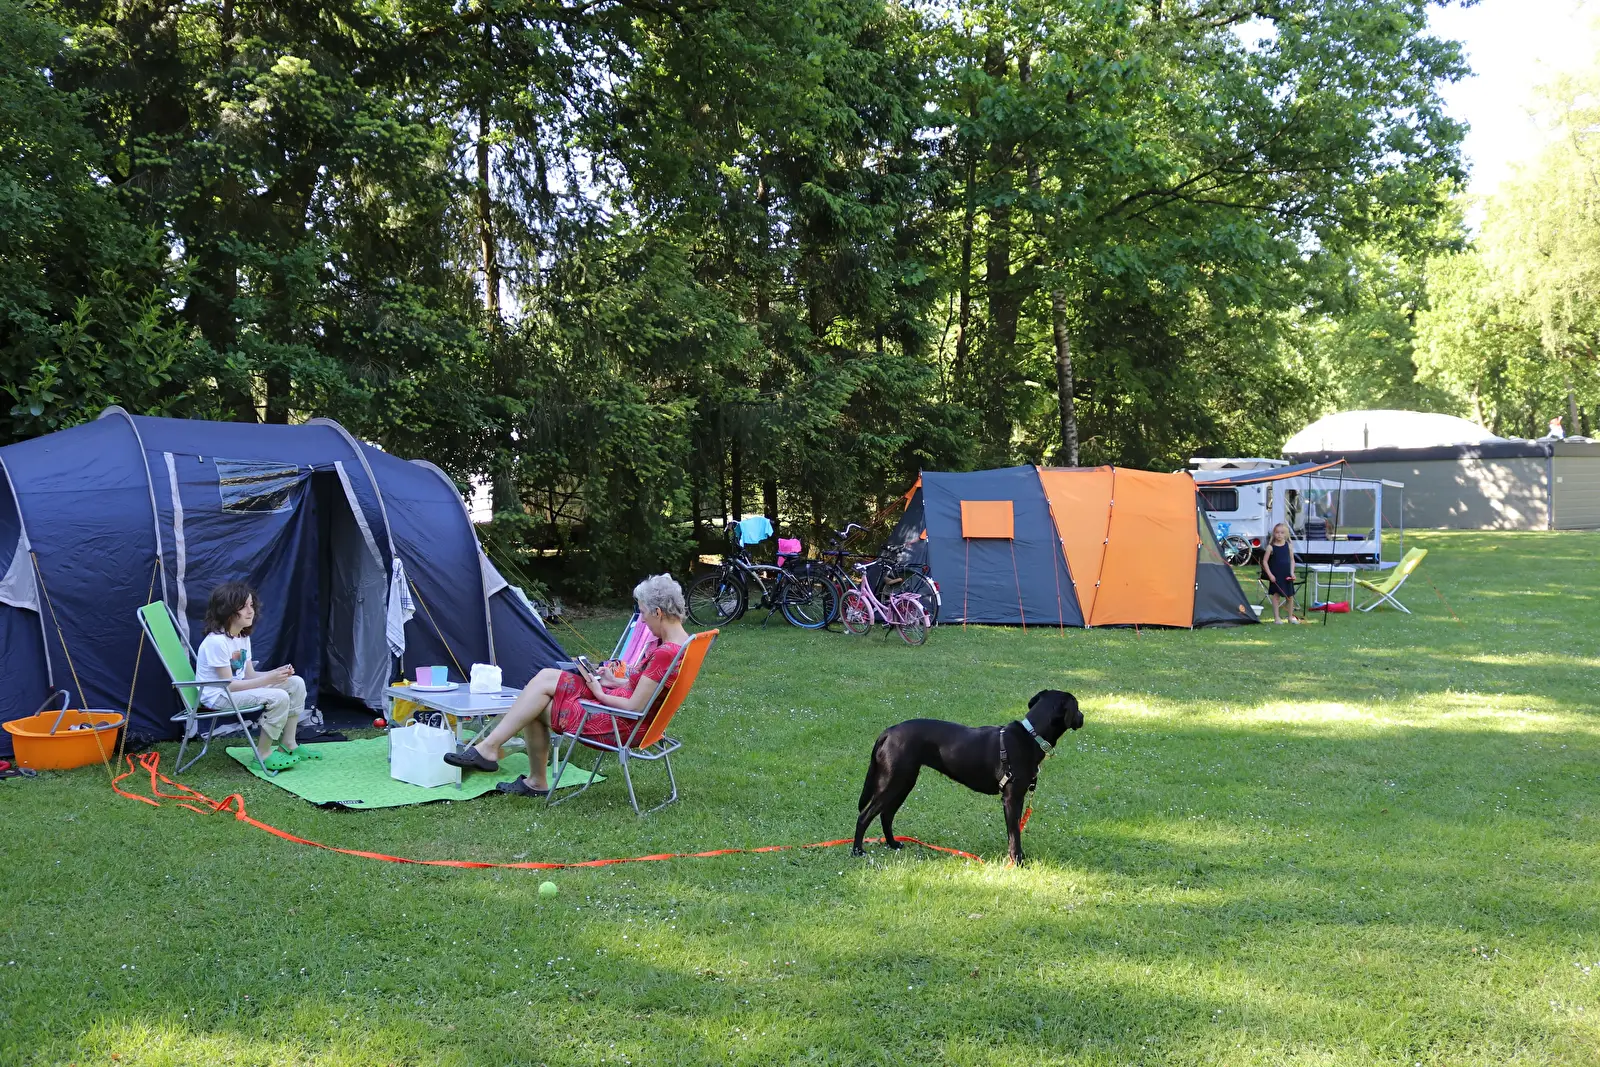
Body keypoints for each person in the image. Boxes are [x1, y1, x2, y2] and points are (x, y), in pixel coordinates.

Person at [445, 574, 692, 796]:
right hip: (628, 710)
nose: (643, 620)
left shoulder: (666, 653)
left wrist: (599, 692)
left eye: (643, 613)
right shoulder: (684, 643)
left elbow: (634, 706)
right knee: (545, 677)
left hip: (622, 723)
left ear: (658, 612)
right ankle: (493, 751)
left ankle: (525, 774)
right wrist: (613, 681)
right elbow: (649, 688)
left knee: (533, 706)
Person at [195, 581, 315, 770]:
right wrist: (269, 680)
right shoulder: (216, 642)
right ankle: (263, 755)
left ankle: (289, 744)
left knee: (296, 683)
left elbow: (249, 675)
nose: (250, 611)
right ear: (227, 610)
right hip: (218, 696)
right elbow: (229, 685)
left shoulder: (242, 637)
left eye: (251, 605)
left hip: (234, 691)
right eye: (243, 607)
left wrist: (276, 674)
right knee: (278, 696)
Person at [1261, 523, 1299, 624]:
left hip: (1287, 575)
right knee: (1276, 596)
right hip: (1276, 575)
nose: (1279, 535)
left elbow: (1292, 560)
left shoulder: (1289, 546)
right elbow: (1264, 561)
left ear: (1286, 534)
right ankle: (1277, 618)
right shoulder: (1270, 547)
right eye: (1277, 532)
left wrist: (1292, 572)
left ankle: (1290, 617)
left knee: (1290, 596)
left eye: (1282, 533)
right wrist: (1270, 575)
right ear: (1274, 533)